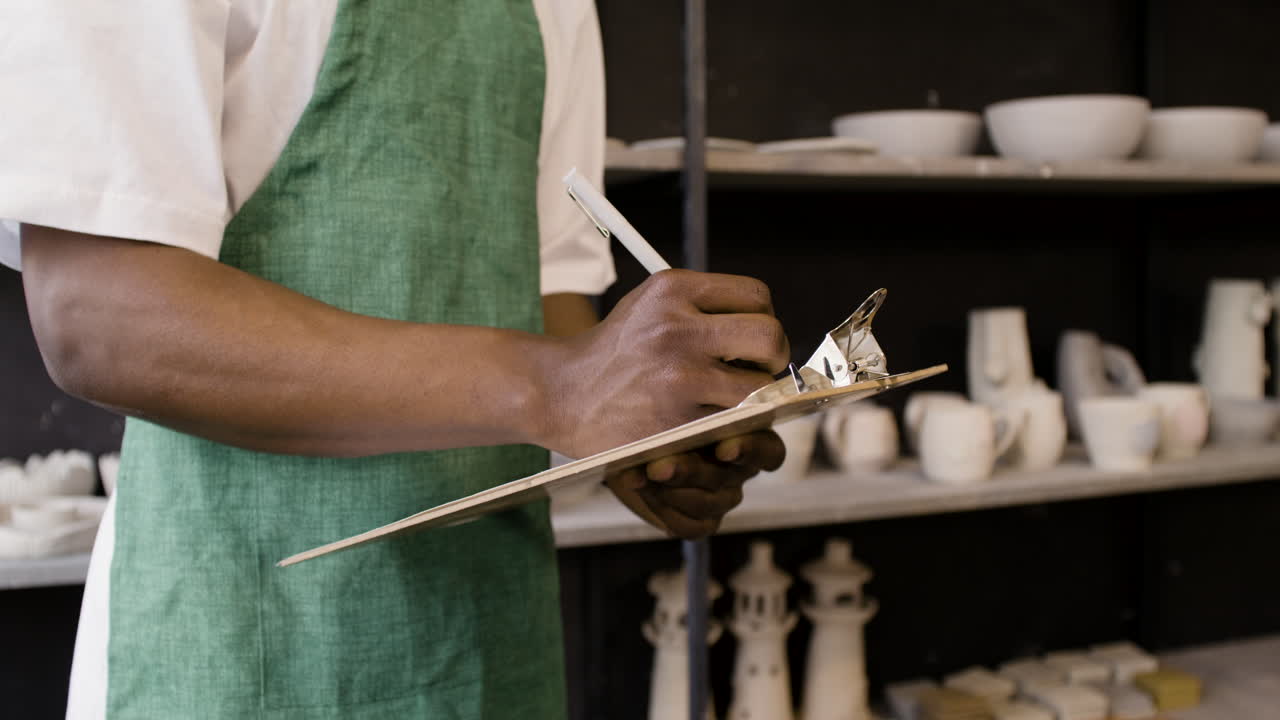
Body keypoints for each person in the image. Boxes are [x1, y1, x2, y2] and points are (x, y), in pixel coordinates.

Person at [1, 1, 789, 717]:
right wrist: (556, 385)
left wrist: (643, 427)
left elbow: (547, 288)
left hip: (485, 643)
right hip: (238, 641)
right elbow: (99, 316)